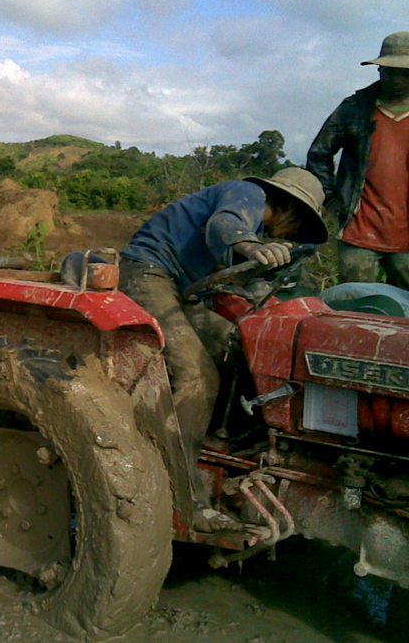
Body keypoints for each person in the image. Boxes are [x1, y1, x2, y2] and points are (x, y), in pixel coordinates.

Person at [119, 168, 328, 528]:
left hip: (184, 288)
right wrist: (253, 247)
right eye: (297, 226)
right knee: (198, 376)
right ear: (290, 207)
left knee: (239, 346)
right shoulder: (247, 194)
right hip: (147, 272)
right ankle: (180, 492)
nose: (292, 235)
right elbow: (224, 227)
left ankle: (222, 439)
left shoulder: (253, 221)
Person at [307, 31, 409, 289]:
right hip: (359, 231)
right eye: (390, 71)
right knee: (358, 308)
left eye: (404, 72)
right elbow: (319, 153)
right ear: (379, 70)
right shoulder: (354, 108)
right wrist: (329, 198)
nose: (397, 79)